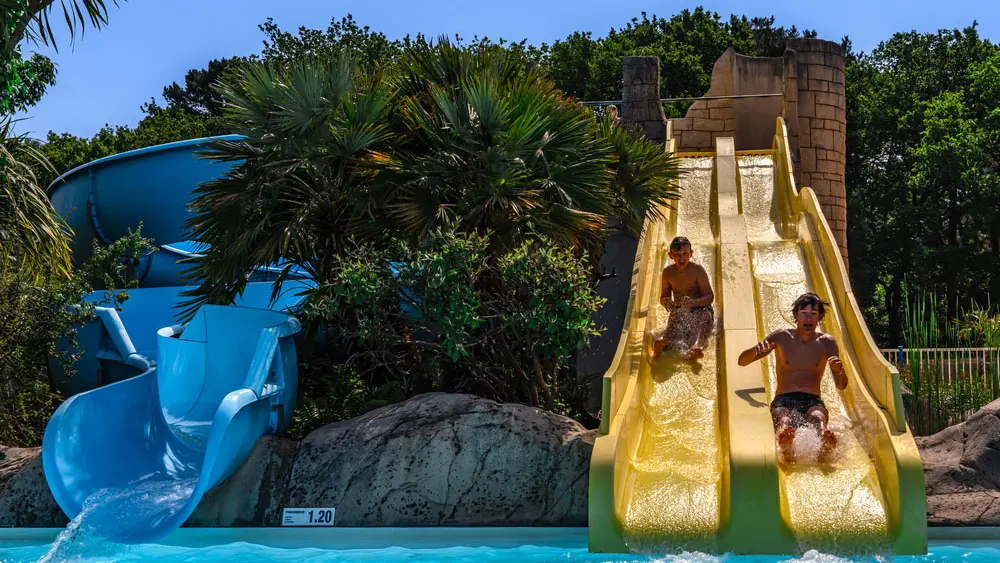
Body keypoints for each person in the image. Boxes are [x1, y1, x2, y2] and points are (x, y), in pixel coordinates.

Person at [737, 292, 848, 463]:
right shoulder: (781, 337)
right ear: (796, 315)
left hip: (812, 399)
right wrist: (755, 352)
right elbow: (741, 362)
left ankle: (825, 439)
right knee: (783, 417)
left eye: (813, 315)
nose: (808, 319)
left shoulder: (827, 342)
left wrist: (839, 371)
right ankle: (785, 440)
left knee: (817, 416)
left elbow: (841, 386)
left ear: (820, 316)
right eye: (804, 314)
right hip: (784, 398)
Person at [653, 236, 715, 360]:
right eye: (677, 254)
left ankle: (695, 346)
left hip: (700, 308)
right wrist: (669, 304)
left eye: (685, 253)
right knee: (674, 319)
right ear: (671, 255)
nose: (681, 258)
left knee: (704, 318)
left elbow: (709, 296)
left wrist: (694, 302)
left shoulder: (698, 271)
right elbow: (664, 296)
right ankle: (662, 340)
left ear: (691, 253)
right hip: (680, 309)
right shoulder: (668, 273)